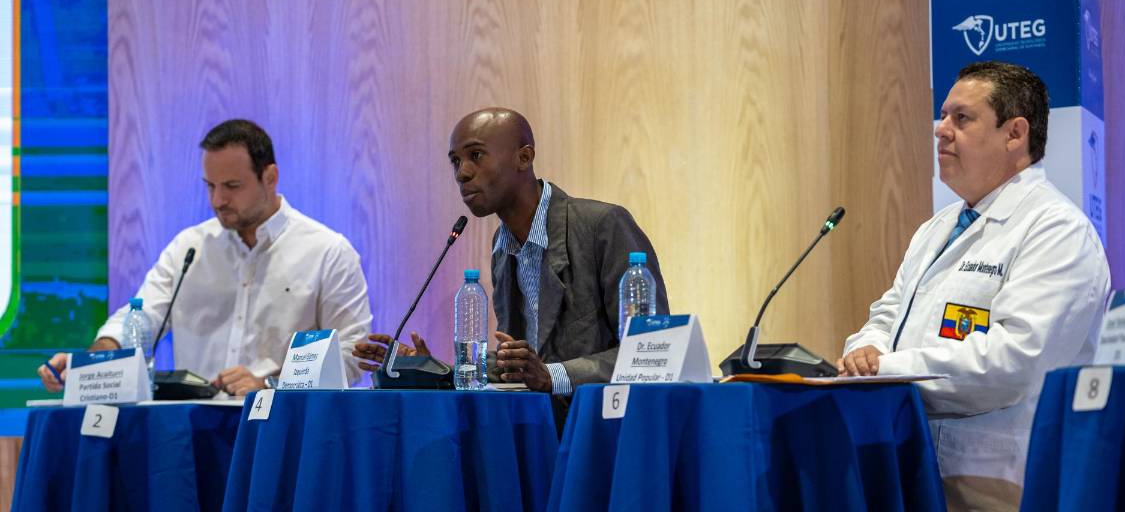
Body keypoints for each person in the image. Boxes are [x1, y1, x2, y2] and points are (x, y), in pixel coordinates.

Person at [838, 61, 1110, 510]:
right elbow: (887, 315)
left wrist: (883, 371)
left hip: (997, 478)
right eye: (943, 116)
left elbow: (1014, 362)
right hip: (910, 465)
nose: (940, 131)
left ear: (1015, 133)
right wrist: (864, 351)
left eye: (961, 118)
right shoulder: (937, 228)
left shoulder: (1057, 230)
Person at [37, 119, 373, 396]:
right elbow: (141, 317)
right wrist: (91, 364)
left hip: (283, 431)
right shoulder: (190, 247)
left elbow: (352, 354)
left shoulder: (327, 251)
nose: (218, 200)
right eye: (210, 186)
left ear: (270, 178)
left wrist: (272, 384)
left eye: (232, 186)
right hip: (192, 432)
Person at [355, 108, 668, 403]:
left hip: (601, 426)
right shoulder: (502, 246)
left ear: (524, 157)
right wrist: (435, 369)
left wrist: (551, 375)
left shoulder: (602, 226)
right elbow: (517, 363)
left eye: (475, 155)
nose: (462, 173)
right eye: (455, 161)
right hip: (537, 426)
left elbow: (650, 350)